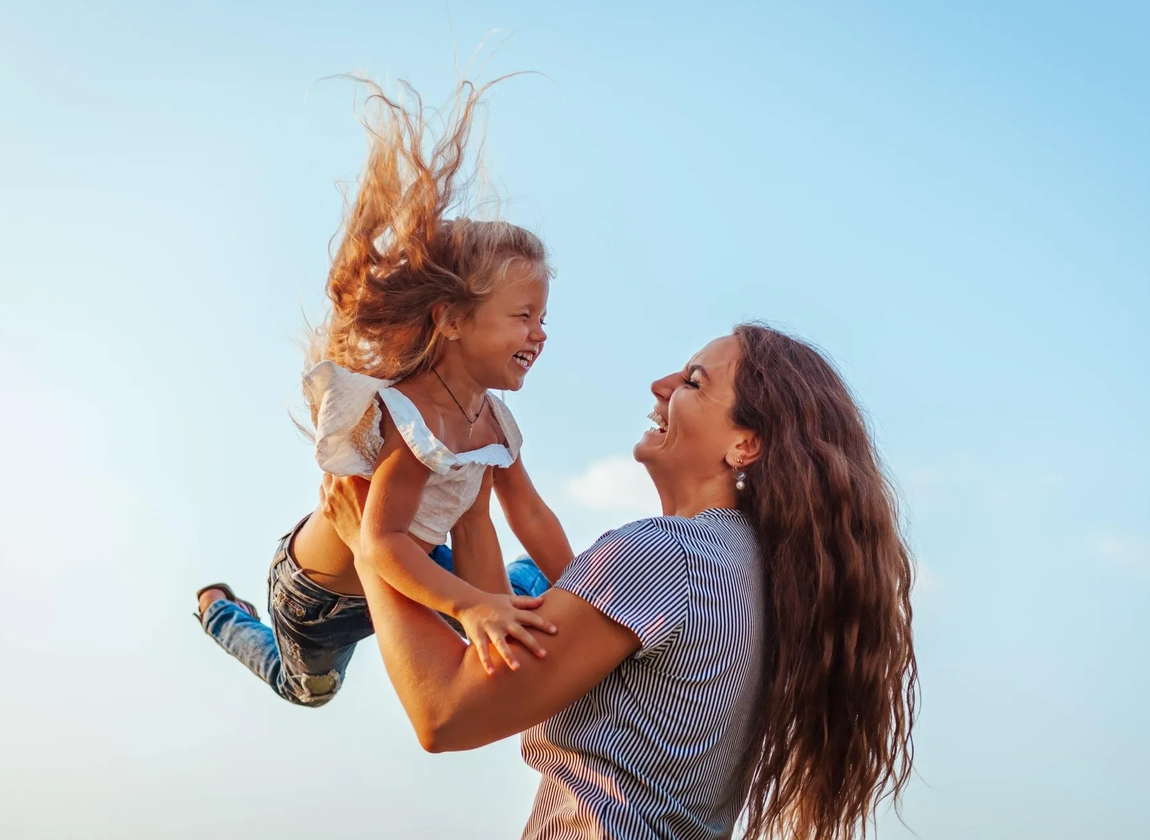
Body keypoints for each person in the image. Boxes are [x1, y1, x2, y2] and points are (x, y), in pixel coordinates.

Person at [321, 324, 919, 840]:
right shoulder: (749, 569)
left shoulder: (662, 558)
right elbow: (503, 662)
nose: (661, 386)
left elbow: (445, 716)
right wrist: (475, 512)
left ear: (746, 445)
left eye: (692, 382)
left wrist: (370, 544)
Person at [194, 77, 574, 709]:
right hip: (325, 598)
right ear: (451, 320)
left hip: (420, 574)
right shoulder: (410, 414)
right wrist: (471, 605)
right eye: (523, 316)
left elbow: (521, 515)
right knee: (308, 692)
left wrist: (584, 590)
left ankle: (546, 593)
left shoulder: (494, 423)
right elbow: (383, 542)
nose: (540, 334)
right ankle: (220, 615)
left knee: (525, 605)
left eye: (542, 318)